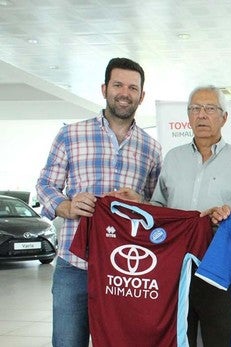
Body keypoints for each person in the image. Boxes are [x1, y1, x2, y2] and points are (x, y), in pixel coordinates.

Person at [112, 85, 231, 346]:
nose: (202, 115)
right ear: (188, 117)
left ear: (224, 117)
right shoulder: (172, 158)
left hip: (222, 268)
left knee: (222, 339)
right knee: (178, 338)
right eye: (195, 109)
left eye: (210, 109)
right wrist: (141, 204)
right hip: (173, 269)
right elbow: (159, 209)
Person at [36, 57, 162, 347]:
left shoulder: (151, 148)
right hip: (74, 265)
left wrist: (140, 201)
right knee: (68, 343)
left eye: (132, 87)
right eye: (118, 84)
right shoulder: (71, 134)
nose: (124, 92)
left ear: (141, 96)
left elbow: (156, 206)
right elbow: (45, 184)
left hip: (125, 272)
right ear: (105, 88)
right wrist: (65, 206)